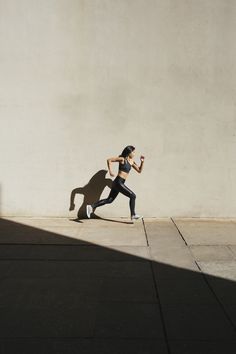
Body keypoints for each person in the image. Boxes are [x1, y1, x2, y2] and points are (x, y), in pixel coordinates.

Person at [86, 145, 145, 221]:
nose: (134, 153)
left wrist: (142, 162)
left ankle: (91, 206)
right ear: (129, 152)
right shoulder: (122, 159)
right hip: (118, 182)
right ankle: (133, 215)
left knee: (109, 200)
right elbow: (109, 160)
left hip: (119, 183)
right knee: (133, 196)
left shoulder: (132, 161)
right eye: (133, 152)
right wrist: (110, 171)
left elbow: (139, 170)